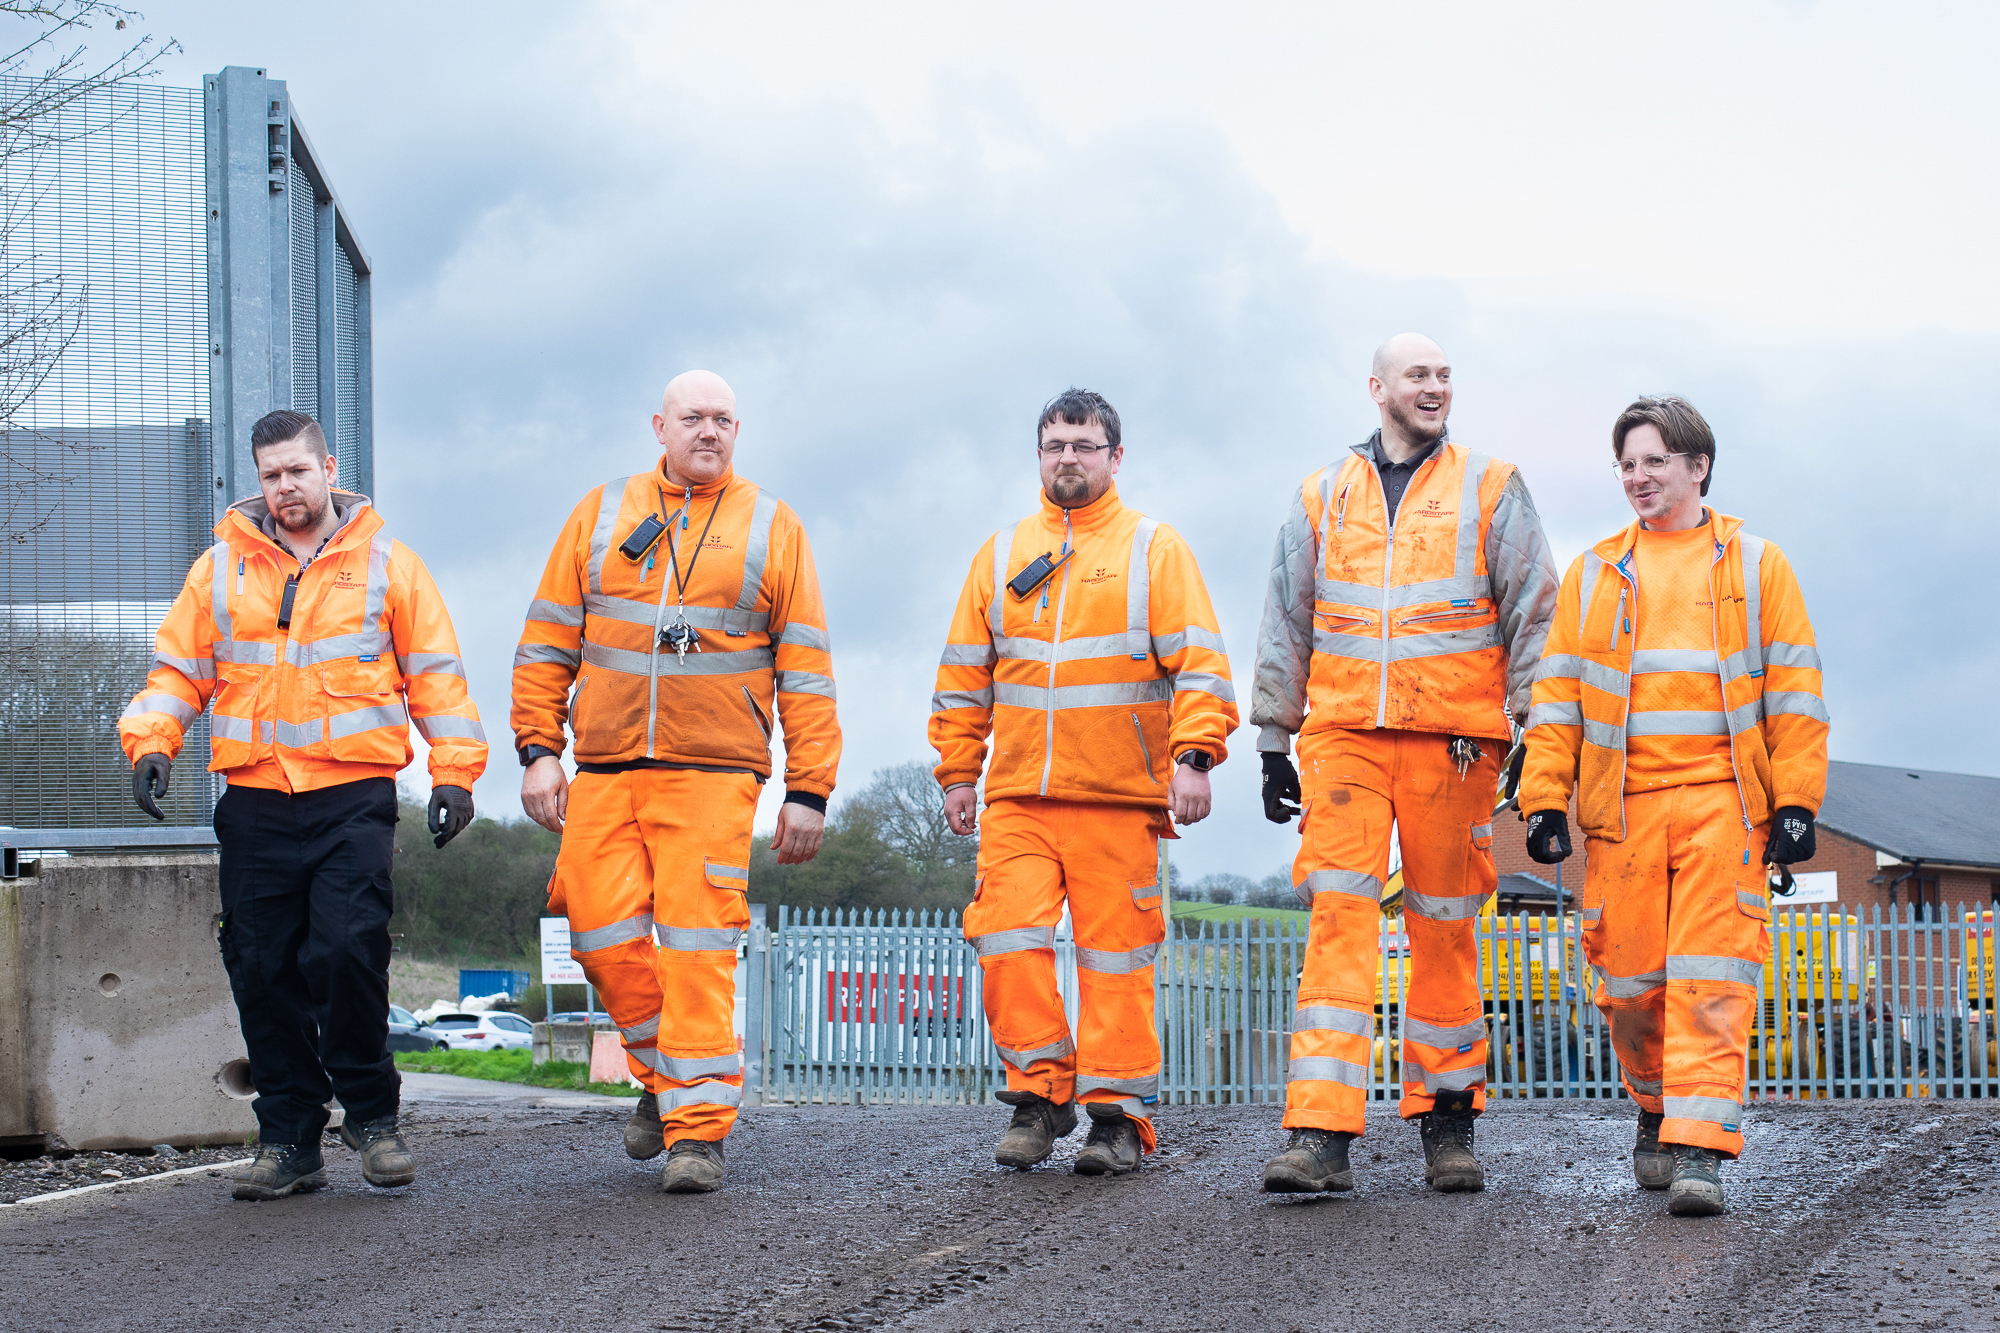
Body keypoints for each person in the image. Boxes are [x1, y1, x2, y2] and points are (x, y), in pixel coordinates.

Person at [118, 408, 487, 1201]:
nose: (285, 486)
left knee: (347, 949)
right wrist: (152, 741)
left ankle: (372, 1116)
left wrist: (455, 772)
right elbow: (178, 671)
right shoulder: (219, 570)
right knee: (260, 966)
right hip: (254, 799)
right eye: (271, 474)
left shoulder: (389, 564)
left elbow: (437, 675)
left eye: (297, 470)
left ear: (329, 470)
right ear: (258, 480)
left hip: (352, 795)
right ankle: (289, 1138)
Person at [512, 369, 838, 1193]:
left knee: (696, 947)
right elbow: (547, 642)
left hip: (714, 773)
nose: (709, 430)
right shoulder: (600, 512)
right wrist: (539, 749)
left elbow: (806, 669)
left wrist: (809, 789)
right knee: (596, 934)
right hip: (605, 767)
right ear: (659, 426)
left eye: (723, 418)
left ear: (738, 431)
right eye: (693, 417)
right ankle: (667, 1080)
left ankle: (696, 1132)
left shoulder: (773, 524)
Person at [1251, 334, 1559, 1195]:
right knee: (1337, 922)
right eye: (1418, 375)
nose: (1435, 387)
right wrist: (1273, 741)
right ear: (1377, 387)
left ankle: (1448, 1122)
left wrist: (1540, 733)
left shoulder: (1490, 485)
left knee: (1446, 927)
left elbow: (1537, 613)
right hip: (1342, 736)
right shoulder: (1322, 494)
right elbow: (1287, 616)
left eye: (1445, 375)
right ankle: (1318, 1133)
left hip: (1453, 742)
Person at [1519, 394, 1827, 1216]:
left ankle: (1700, 1149)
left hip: (1725, 806)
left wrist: (1796, 801)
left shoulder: (1757, 565)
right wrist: (1543, 797)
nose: (1637, 476)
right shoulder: (1593, 574)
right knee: (1629, 988)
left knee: (1711, 980)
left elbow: (1796, 693)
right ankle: (1656, 1104)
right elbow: (1557, 700)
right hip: (1622, 814)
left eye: (1654, 460)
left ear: (1699, 466)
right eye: (1626, 464)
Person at [930, 387, 1237, 1176]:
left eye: (1084, 445)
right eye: (1056, 445)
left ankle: (1117, 1117)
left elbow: (1201, 664)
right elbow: (963, 678)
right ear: (1039, 455)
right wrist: (959, 773)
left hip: (1117, 799)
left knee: (1116, 962)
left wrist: (1195, 756)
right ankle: (1039, 1096)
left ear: (1115, 457)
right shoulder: (1000, 555)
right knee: (1005, 940)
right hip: (1018, 800)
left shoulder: (1154, 548)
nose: (1068, 457)